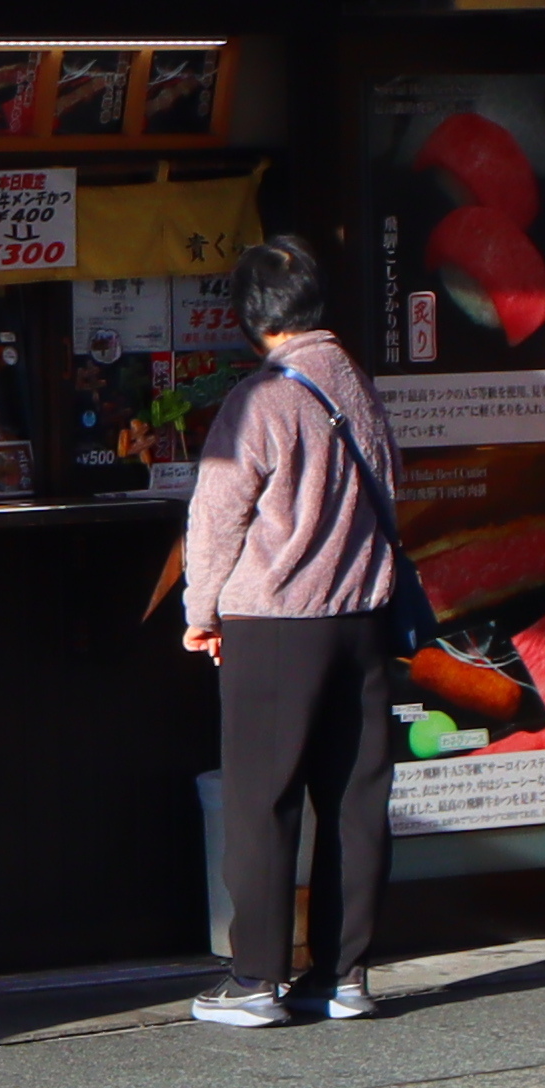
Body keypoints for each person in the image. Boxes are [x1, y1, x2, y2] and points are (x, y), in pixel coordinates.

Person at [173, 234, 408, 1030]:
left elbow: (215, 518)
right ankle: (343, 974)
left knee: (262, 799)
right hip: (364, 617)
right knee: (353, 797)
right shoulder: (355, 383)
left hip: (276, 621)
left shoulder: (260, 400)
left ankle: (255, 981)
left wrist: (200, 614)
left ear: (250, 315)